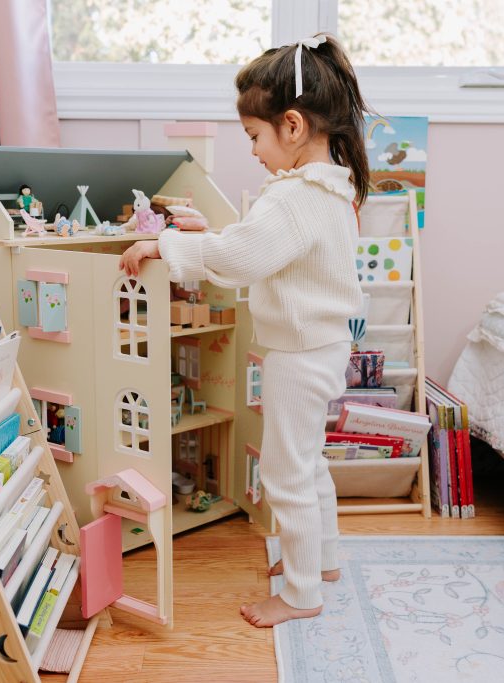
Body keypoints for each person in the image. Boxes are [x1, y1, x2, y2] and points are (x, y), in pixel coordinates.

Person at [119, 33, 369, 628]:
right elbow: (262, 248)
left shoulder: (295, 198)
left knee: (286, 471)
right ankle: (323, 560)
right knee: (308, 462)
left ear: (291, 125)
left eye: (255, 137)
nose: (254, 151)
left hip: (298, 354)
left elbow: (244, 257)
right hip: (322, 347)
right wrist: (213, 234)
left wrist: (168, 242)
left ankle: (303, 592)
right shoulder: (326, 190)